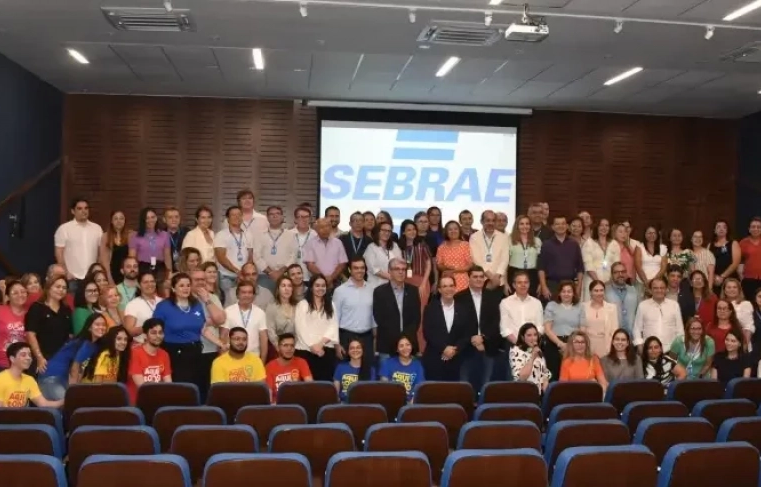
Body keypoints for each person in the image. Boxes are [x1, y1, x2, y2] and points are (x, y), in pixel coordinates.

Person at [153, 273, 223, 392]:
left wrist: (221, 344)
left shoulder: (196, 305)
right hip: (174, 352)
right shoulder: (163, 306)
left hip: (195, 350)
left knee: (196, 386)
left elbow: (202, 329)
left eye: (188, 285)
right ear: (173, 288)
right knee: (180, 387)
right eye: (181, 286)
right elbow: (155, 330)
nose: (186, 288)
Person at [37, 313, 108, 400]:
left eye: (104, 325)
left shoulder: (94, 345)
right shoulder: (86, 343)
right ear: (89, 327)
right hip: (50, 378)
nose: (101, 327)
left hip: (61, 380)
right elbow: (75, 368)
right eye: (97, 324)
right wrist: (74, 391)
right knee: (70, 405)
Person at [457, 266, 502, 393]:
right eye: (475, 277)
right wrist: (473, 339)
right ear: (469, 278)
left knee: (486, 384)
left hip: (488, 346)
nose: (478, 279)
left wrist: (482, 337)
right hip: (466, 347)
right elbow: (459, 324)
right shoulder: (459, 298)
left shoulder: (492, 298)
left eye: (481, 277)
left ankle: (483, 408)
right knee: (464, 384)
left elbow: (496, 322)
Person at [421, 276, 475, 381]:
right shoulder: (430, 308)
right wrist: (444, 348)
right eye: (444, 286)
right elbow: (428, 333)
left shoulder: (464, 309)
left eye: (451, 285)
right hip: (435, 359)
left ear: (455, 288)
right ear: (439, 290)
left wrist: (455, 350)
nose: (448, 289)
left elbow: (467, 334)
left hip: (457, 361)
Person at [373, 258, 422, 360]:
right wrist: (397, 341)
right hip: (387, 345)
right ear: (389, 271)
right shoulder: (379, 292)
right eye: (397, 269)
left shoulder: (413, 291)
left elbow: (416, 319)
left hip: (409, 346)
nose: (401, 272)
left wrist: (404, 341)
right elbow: (379, 318)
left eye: (403, 269)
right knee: (385, 376)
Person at [0, 342, 63, 408]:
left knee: (54, 413)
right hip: (5, 416)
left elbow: (43, 404)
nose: (28, 358)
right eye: (23, 355)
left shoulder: (29, 380)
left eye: (30, 355)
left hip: (21, 416)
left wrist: (65, 400)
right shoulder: (1, 378)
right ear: (12, 359)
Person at [543, 281, 584, 380]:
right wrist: (560, 344)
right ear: (559, 293)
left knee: (573, 375)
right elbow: (547, 329)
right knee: (553, 375)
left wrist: (571, 345)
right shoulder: (551, 305)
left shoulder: (580, 306)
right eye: (563, 291)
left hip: (574, 345)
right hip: (554, 344)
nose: (566, 294)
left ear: (573, 293)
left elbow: (582, 329)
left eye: (569, 291)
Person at [127, 318, 172, 404]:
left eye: (160, 332)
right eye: (153, 333)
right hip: (137, 403)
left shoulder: (164, 354)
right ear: (145, 335)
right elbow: (141, 386)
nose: (158, 336)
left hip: (158, 401)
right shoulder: (135, 353)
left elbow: (168, 383)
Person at [265, 333, 313, 403]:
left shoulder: (301, 362)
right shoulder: (270, 366)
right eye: (285, 345)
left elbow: (310, 385)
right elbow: (268, 392)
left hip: (297, 404)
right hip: (277, 405)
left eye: (292, 346)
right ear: (278, 348)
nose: (289, 348)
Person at [379, 335, 425, 403]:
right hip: (392, 401)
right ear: (397, 349)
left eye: (407, 345)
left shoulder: (417, 365)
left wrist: (411, 404)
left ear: (411, 346)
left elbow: (419, 388)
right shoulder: (387, 363)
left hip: (411, 403)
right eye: (401, 346)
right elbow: (384, 386)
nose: (405, 348)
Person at [559, 330, 608, 395]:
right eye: (576, 342)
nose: (580, 345)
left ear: (586, 344)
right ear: (571, 344)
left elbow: (603, 383)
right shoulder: (566, 362)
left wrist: (597, 388)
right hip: (573, 397)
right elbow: (562, 387)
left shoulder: (594, 359)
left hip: (592, 395)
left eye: (583, 342)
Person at [509, 323, 551, 394]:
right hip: (523, 393)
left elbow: (545, 376)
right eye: (529, 335)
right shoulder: (515, 351)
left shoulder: (538, 351)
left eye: (535, 335)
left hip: (539, 394)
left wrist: (546, 395)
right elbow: (521, 378)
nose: (533, 338)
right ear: (522, 337)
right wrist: (532, 358)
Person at [583, 280, 619, 358]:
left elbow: (614, 330)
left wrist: (612, 348)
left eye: (601, 290)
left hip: (605, 346)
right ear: (590, 292)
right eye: (596, 291)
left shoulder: (612, 308)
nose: (599, 293)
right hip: (587, 346)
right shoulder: (583, 307)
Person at [0, 281, 28, 370]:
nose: (20, 295)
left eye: (23, 292)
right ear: (7, 296)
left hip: (24, 365)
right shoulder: (1, 311)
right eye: (15, 293)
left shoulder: (31, 313)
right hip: (2, 363)